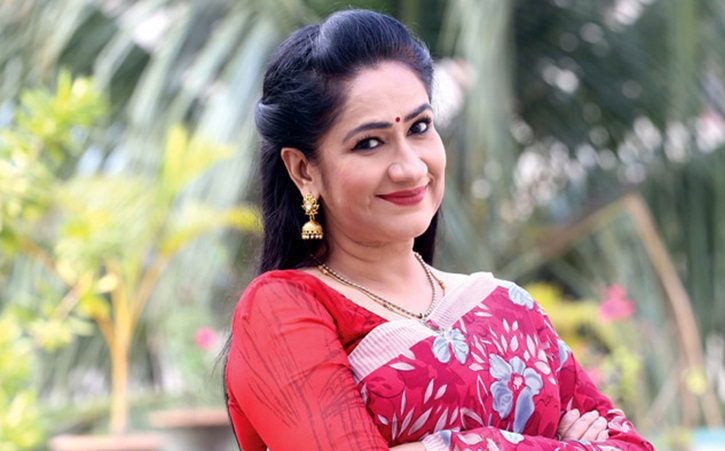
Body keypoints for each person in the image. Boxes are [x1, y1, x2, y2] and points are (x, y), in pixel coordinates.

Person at [225, 8, 654, 451]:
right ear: (304, 169)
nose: (411, 168)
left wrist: (442, 446)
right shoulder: (282, 309)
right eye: (369, 143)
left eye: (420, 127)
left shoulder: (506, 305)